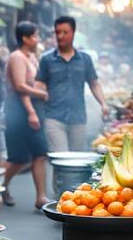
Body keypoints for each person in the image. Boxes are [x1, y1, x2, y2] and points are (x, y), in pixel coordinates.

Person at [36, 16, 109, 153]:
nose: (60, 36)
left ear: (73, 33)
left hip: (78, 118)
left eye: (65, 32)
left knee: (77, 161)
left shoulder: (85, 59)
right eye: (57, 32)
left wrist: (103, 103)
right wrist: (41, 94)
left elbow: (94, 83)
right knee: (60, 160)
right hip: (53, 117)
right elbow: (39, 83)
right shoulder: (46, 59)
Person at [2, 22, 49, 209]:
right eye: (35, 36)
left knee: (40, 153)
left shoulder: (32, 57)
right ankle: (0, 187)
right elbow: (20, 87)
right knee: (19, 157)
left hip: (33, 109)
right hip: (18, 110)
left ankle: (41, 197)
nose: (37, 39)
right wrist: (40, 97)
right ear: (25, 38)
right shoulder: (16, 57)